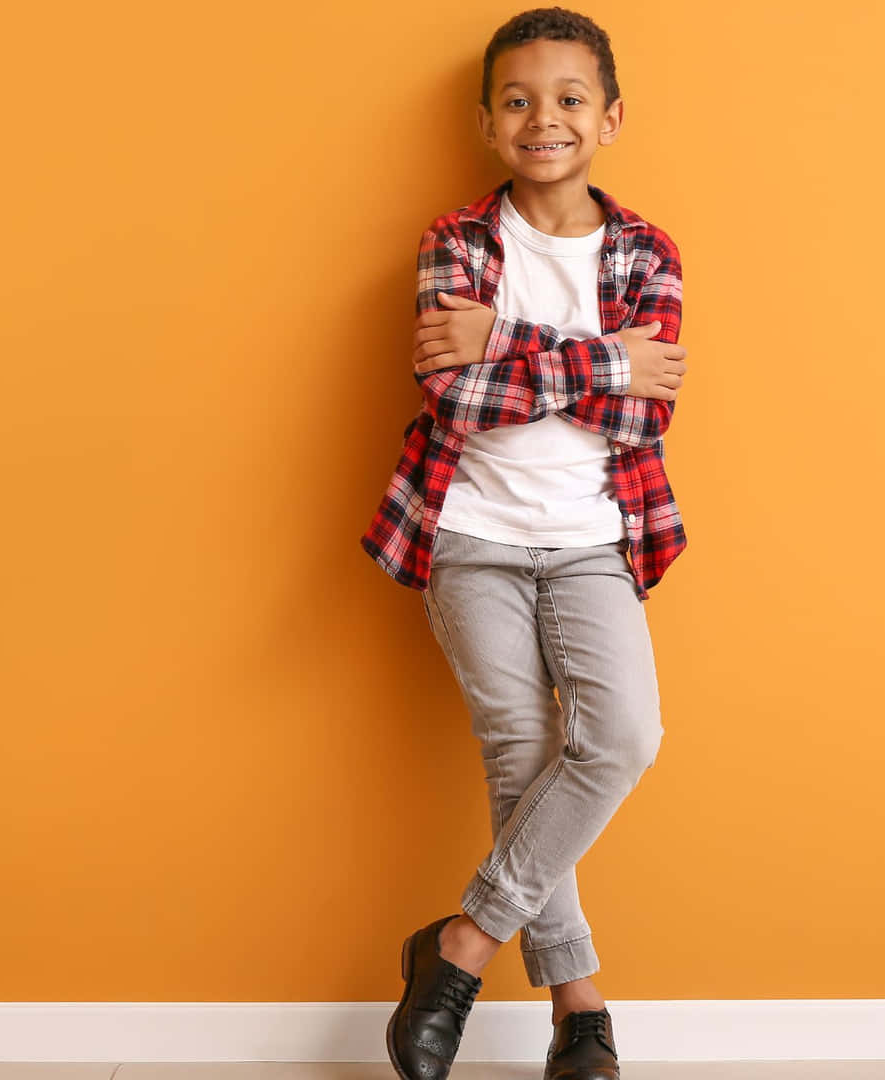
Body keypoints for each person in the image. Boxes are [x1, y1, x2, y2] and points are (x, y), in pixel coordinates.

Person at [361, 9, 690, 1079]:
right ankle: (578, 1011)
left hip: (597, 539)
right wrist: (601, 360)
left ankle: (459, 945)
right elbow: (456, 394)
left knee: (621, 739)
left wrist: (507, 343)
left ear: (610, 117)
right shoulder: (455, 244)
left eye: (568, 98)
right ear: (488, 122)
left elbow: (642, 416)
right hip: (469, 535)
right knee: (524, 756)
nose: (543, 117)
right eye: (518, 99)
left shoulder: (647, 251)